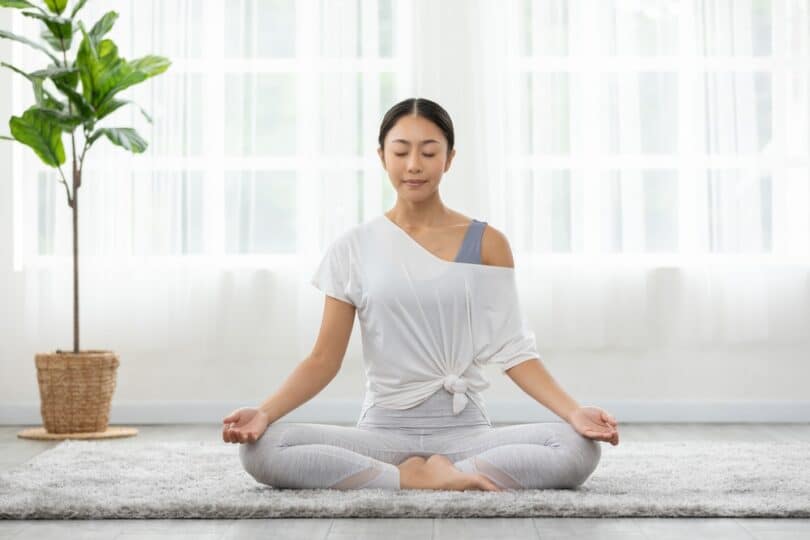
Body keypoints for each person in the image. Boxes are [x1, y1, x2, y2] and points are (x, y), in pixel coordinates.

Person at [222, 97, 620, 491]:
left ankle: (429, 474)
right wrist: (263, 412)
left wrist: (574, 412)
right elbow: (323, 359)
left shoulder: (486, 243)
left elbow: (515, 351)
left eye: (429, 153)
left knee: (576, 447)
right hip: (383, 434)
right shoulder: (354, 247)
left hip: (465, 435)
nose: (414, 165)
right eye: (401, 151)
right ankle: (409, 477)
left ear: (449, 159)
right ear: (382, 157)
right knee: (264, 448)